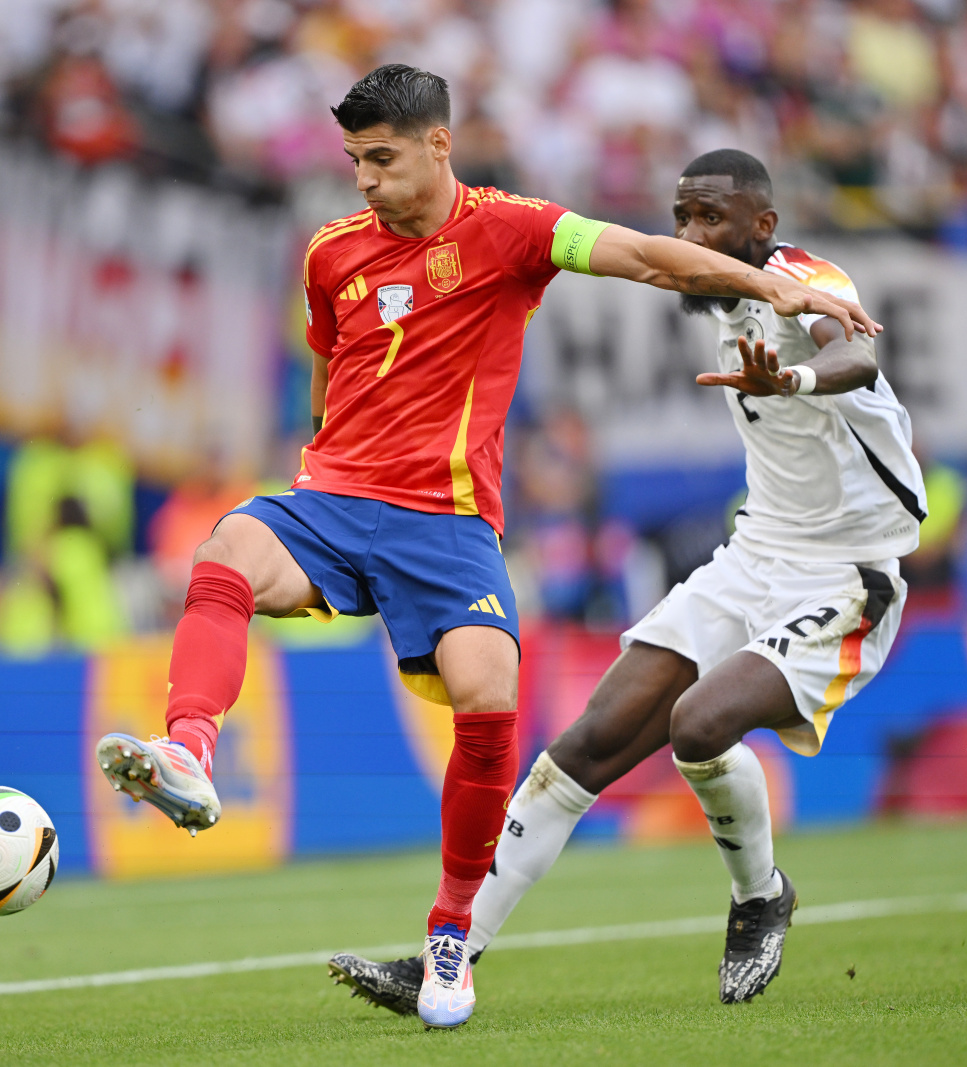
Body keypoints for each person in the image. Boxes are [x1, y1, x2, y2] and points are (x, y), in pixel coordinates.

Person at [92, 72, 877, 1030]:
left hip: (451, 526)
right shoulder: (331, 253)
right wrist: (325, 461)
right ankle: (188, 752)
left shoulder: (515, 228)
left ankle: (452, 936)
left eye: (382, 160)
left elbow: (637, 254)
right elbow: (327, 371)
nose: (366, 183)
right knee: (221, 559)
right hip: (335, 500)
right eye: (355, 162)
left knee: (492, 699)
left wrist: (768, 284)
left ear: (438, 145)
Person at [328, 148, 921, 1011]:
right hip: (754, 556)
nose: (691, 235)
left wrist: (792, 375)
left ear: (764, 227)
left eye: (710, 219)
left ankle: (761, 896)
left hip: (846, 575)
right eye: (683, 216)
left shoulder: (805, 277)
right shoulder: (725, 300)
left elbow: (853, 357)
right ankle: (445, 958)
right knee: (577, 752)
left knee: (699, 724)